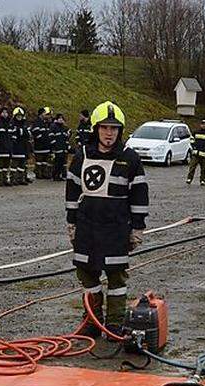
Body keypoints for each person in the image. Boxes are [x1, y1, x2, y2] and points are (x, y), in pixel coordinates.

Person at [66, 101, 149, 336]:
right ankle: (92, 320)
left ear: (120, 131)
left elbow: (139, 196)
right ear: (96, 129)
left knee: (116, 278)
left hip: (116, 228)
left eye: (114, 128)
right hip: (87, 227)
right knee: (85, 272)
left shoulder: (130, 159)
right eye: (104, 128)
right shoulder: (81, 156)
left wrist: (137, 229)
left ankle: (114, 322)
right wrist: (71, 222)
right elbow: (72, 191)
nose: (109, 133)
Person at [0, 107, 14, 187]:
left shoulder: (10, 123)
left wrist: (11, 143)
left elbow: (12, 135)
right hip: (0, 148)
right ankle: (0, 180)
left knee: (6, 166)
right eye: (3, 112)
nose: (5, 114)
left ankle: (5, 179)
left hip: (8, 148)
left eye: (6, 112)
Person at [185, 119, 205, 185]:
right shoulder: (195, 132)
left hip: (204, 155)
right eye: (202, 124)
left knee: (203, 169)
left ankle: (202, 180)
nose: (204, 125)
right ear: (200, 125)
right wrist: (193, 146)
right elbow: (191, 139)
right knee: (192, 167)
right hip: (195, 154)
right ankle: (189, 179)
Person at [11, 107, 33, 185]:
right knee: (14, 165)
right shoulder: (12, 125)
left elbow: (28, 135)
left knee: (22, 165)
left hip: (24, 147)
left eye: (20, 116)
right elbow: (13, 136)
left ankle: (21, 178)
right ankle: (13, 179)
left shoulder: (24, 125)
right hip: (16, 148)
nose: (19, 117)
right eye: (18, 116)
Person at [32, 107, 54, 179]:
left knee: (44, 161)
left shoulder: (45, 122)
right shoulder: (37, 122)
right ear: (41, 114)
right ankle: (39, 173)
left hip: (45, 146)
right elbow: (36, 133)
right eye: (45, 113)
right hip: (39, 146)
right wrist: (42, 139)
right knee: (39, 161)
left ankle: (44, 173)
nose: (46, 115)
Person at [50, 113, 71, 181]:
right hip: (57, 149)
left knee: (61, 163)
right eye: (60, 118)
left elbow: (66, 138)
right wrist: (54, 146)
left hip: (63, 149)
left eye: (62, 118)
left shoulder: (63, 127)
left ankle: (59, 175)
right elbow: (51, 137)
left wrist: (67, 146)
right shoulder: (53, 126)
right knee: (57, 163)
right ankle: (55, 175)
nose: (61, 120)